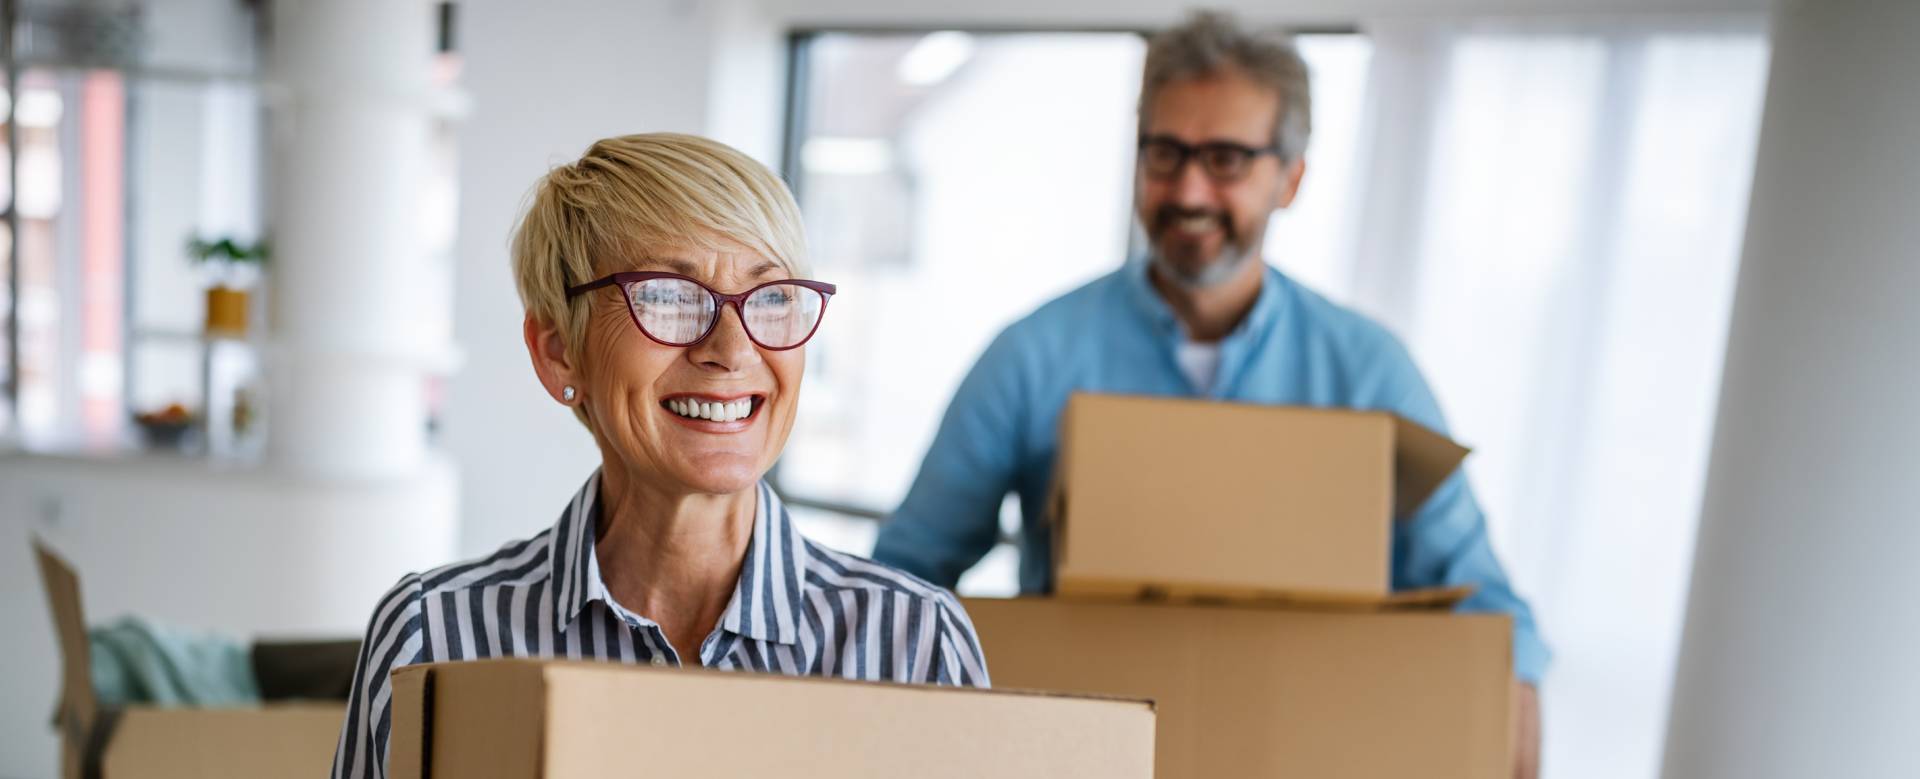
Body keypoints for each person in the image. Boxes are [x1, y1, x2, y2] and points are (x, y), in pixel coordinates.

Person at [871, 12, 1543, 777]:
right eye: (1166, 153)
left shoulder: (1366, 370)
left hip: (1305, 749)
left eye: (1225, 159)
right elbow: (904, 580)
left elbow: (1491, 612)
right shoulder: (1033, 355)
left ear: (1290, 178)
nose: (1188, 189)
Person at [332, 134, 989, 779]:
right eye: (669, 298)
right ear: (559, 350)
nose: (732, 350)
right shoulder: (434, 634)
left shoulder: (915, 644)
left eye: (772, 298)